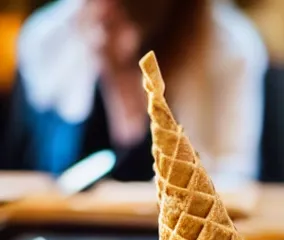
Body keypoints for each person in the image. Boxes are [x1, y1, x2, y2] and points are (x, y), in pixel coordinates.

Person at [1, 0, 268, 185]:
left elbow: (236, 177)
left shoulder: (231, 49)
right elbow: (45, 175)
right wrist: (110, 72)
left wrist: (131, 88)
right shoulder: (49, 41)